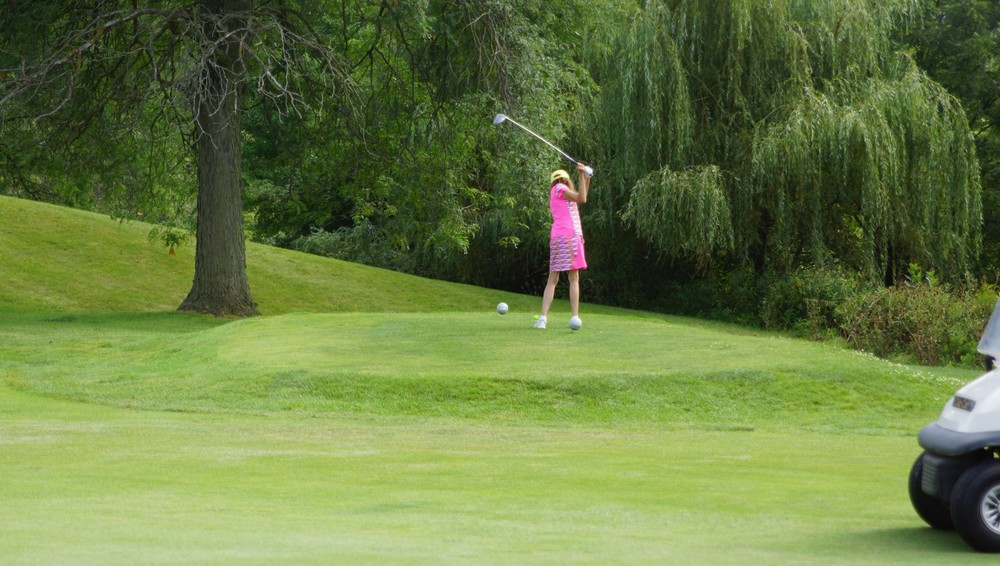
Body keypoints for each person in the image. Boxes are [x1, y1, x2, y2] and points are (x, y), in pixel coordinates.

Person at [535, 162, 592, 329]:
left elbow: (582, 195)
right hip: (569, 237)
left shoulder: (559, 193)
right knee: (573, 278)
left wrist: (587, 177)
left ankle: (542, 319)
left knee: (553, 279)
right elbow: (582, 198)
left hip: (559, 238)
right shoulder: (560, 188)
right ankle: (574, 316)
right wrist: (581, 174)